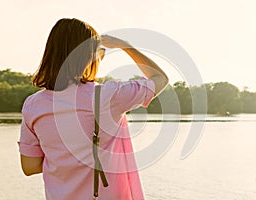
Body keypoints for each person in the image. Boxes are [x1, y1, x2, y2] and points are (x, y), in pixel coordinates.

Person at [18, 18, 168, 200]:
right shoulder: (109, 96)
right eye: (99, 53)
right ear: (88, 57)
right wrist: (125, 46)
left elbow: (30, 167)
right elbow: (160, 78)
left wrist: (65, 158)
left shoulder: (33, 105)